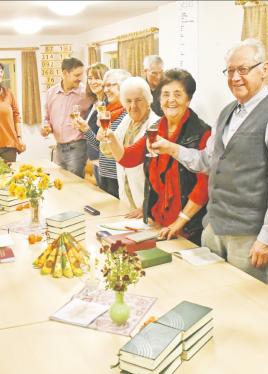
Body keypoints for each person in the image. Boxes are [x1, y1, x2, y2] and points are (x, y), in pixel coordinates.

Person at [151, 38, 268, 283]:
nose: (235, 77)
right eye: (230, 71)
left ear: (264, 69)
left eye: (243, 69)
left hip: (249, 235)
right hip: (214, 228)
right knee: (212, 293)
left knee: (247, 305)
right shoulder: (228, 111)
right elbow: (207, 161)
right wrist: (171, 148)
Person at [107, 70, 210, 244]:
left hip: (187, 227)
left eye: (177, 94)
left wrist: (179, 222)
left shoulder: (201, 132)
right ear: (159, 100)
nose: (171, 100)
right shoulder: (157, 128)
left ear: (188, 99)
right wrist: (110, 137)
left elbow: (203, 186)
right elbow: (128, 158)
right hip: (158, 222)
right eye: (165, 94)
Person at [102, 77, 161, 218]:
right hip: (127, 201)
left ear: (148, 100)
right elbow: (108, 152)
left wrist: (149, 205)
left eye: (138, 100)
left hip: (146, 205)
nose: (133, 106)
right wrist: (104, 137)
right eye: (128, 101)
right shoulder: (126, 120)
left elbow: (161, 174)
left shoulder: (156, 125)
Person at [41, 57, 92, 178]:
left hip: (78, 147)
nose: (80, 78)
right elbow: (46, 117)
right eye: (77, 75)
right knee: (61, 182)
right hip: (59, 147)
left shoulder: (86, 93)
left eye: (82, 75)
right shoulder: (51, 92)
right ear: (65, 73)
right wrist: (45, 127)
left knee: (75, 184)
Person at [86, 69, 130, 197]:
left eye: (110, 85)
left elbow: (124, 150)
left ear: (124, 86)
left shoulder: (128, 114)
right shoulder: (107, 113)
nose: (105, 90)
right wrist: (86, 130)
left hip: (120, 176)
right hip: (104, 172)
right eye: (105, 86)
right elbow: (101, 148)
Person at [74, 62, 109, 186]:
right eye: (90, 78)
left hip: (105, 162)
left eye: (97, 78)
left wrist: (85, 129)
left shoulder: (107, 105)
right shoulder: (94, 103)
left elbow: (105, 139)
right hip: (94, 159)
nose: (93, 82)